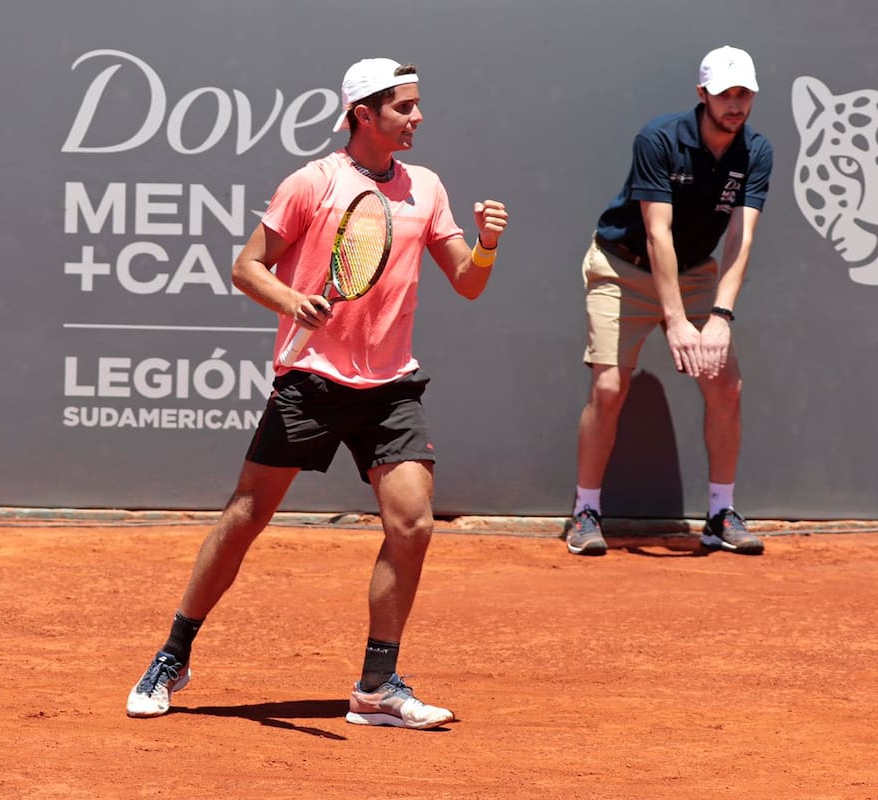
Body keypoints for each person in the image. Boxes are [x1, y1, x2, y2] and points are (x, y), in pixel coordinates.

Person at [125, 58, 509, 728]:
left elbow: (468, 282)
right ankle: (173, 653)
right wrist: (293, 300)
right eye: (404, 107)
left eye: (417, 107)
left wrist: (486, 246)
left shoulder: (428, 187)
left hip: (390, 386)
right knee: (246, 516)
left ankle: (376, 685)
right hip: (312, 381)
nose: (418, 118)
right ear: (364, 113)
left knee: (412, 522)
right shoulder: (315, 182)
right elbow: (247, 265)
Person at [567, 46, 773, 557]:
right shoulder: (658, 139)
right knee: (610, 386)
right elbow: (658, 233)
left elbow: (740, 239)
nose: (735, 104)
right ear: (702, 95)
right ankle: (585, 511)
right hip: (623, 267)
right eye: (725, 94)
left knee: (726, 385)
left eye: (744, 93)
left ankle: (720, 513)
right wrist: (677, 322)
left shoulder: (757, 151)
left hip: (696, 272)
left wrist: (720, 317)